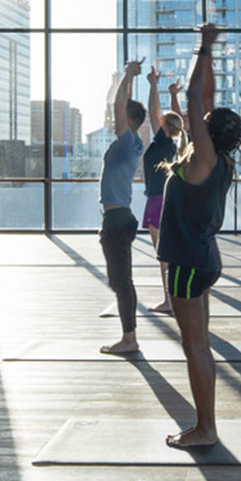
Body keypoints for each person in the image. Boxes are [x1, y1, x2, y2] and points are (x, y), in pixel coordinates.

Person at [158, 24, 241, 449]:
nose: (200, 119)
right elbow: (203, 101)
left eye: (205, 123)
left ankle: (205, 429)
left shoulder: (207, 158)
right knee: (201, 345)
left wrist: (204, 46)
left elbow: (197, 100)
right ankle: (205, 425)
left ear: (211, 132)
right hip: (203, 259)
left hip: (188, 265)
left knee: (195, 348)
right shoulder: (218, 159)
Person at [98, 60, 153, 357]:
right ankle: (128, 336)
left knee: (122, 283)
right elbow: (124, 105)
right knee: (120, 281)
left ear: (129, 121)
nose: (112, 119)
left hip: (118, 219)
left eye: (119, 117)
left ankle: (129, 338)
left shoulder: (126, 141)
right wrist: (129, 80)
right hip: (118, 218)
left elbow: (120, 104)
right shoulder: (130, 142)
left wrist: (129, 76)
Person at [139, 80, 186, 317]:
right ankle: (172, 299)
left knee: (163, 256)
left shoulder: (163, 141)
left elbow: (152, 109)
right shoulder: (170, 143)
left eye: (161, 120)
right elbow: (167, 116)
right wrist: (170, 93)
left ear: (165, 125)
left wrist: (154, 85)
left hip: (157, 201)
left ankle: (169, 301)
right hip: (161, 200)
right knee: (167, 255)